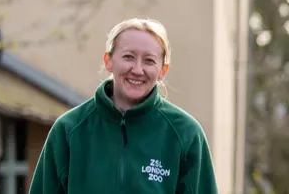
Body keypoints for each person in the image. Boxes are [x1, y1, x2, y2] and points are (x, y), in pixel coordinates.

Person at [28, 18, 218, 194]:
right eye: (128, 57)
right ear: (108, 61)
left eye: (149, 61)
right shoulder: (69, 130)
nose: (137, 69)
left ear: (163, 70)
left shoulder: (186, 134)